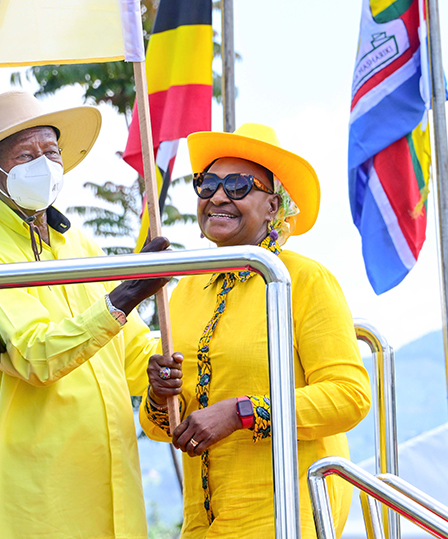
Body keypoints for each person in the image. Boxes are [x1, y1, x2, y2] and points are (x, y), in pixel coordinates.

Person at [0, 90, 169, 539]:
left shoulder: (80, 246)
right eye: (26, 155)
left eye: (51, 152)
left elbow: (133, 352)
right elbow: (34, 356)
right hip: (33, 501)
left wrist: (163, 368)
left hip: (110, 492)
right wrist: (129, 292)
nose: (42, 165)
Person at [141, 123, 371, 538]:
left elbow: (349, 395)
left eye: (239, 185)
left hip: (286, 514)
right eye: (207, 183)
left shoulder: (303, 279)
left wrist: (242, 412)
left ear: (273, 207)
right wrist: (160, 393)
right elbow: (163, 428)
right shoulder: (184, 289)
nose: (218, 196)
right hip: (202, 522)